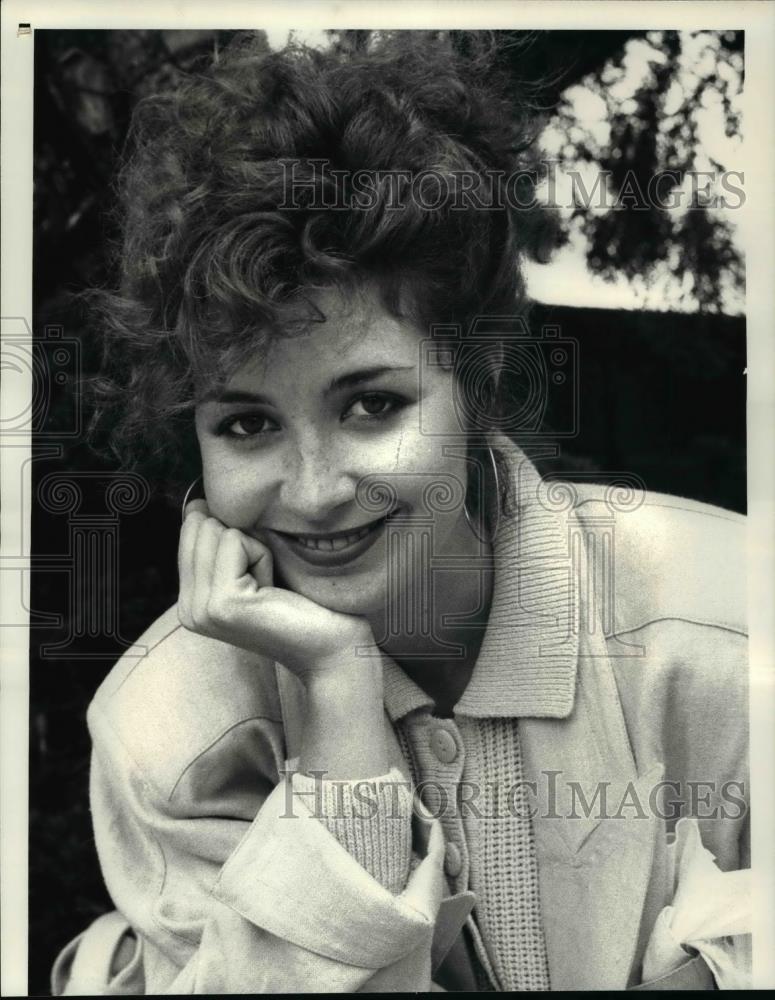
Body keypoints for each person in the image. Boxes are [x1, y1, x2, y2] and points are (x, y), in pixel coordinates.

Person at [51, 31, 749, 993]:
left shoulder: (728, 626)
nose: (313, 491)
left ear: (479, 381)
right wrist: (340, 699)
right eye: (247, 424)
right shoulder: (166, 731)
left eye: (372, 405)